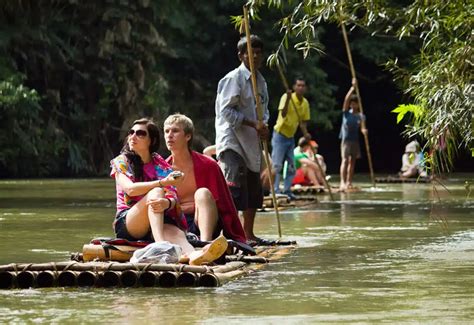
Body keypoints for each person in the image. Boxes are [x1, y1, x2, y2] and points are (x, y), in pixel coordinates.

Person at [110, 118, 227, 265]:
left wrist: (167, 203)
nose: (133, 136)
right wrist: (162, 183)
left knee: (178, 235)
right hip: (129, 221)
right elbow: (130, 189)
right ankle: (161, 245)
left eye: (140, 133)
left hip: (156, 219)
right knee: (156, 192)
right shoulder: (122, 161)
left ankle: (195, 256)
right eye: (131, 132)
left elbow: (172, 196)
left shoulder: (159, 163)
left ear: (151, 141)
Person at [215, 34, 270, 245]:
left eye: (258, 52)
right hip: (232, 141)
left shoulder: (261, 82)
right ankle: (229, 235)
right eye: (251, 52)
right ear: (241, 55)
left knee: (254, 189)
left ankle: (248, 234)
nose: (255, 56)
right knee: (234, 187)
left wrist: (263, 126)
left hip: (251, 142)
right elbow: (226, 111)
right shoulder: (233, 79)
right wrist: (251, 123)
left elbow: (264, 111)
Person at [163, 114, 247, 244]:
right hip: (176, 226)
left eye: (175, 131)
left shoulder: (208, 165)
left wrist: (236, 236)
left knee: (202, 193)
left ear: (188, 136)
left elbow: (226, 204)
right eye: (166, 131)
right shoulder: (161, 170)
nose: (169, 135)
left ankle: (205, 244)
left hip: (204, 221)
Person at [272, 77, 311, 199]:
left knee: (291, 166)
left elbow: (303, 122)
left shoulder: (304, 103)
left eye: (302, 86)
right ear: (294, 87)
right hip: (280, 134)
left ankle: (287, 190)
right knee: (277, 165)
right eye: (298, 85)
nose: (300, 88)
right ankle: (276, 190)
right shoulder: (286, 97)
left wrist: (306, 134)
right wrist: (288, 99)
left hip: (290, 136)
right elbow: (282, 114)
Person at [339, 78, 368, 191]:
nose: (353, 105)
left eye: (355, 104)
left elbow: (362, 127)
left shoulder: (361, 116)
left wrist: (364, 131)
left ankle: (349, 182)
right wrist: (352, 88)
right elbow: (346, 100)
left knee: (353, 161)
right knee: (345, 160)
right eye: (352, 104)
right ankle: (342, 182)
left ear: (357, 105)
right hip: (346, 140)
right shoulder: (346, 113)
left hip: (355, 140)